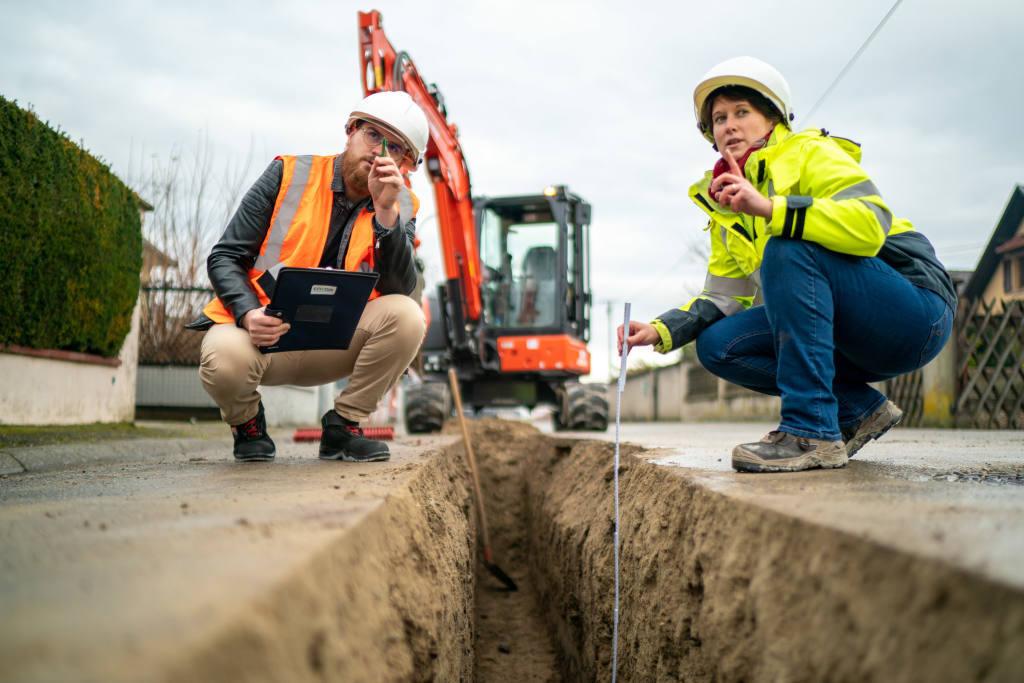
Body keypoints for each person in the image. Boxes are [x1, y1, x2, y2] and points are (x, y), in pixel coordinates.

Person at [618, 57, 956, 473]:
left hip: (913, 310)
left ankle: (810, 430)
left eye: (742, 112)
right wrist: (661, 330)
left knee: (787, 246)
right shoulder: (727, 204)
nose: (729, 125)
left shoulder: (809, 151)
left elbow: (871, 223)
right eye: (719, 118)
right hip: (846, 334)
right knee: (717, 345)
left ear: (773, 118)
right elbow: (723, 297)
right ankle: (859, 410)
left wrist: (771, 208)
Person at [187, 91, 429, 463]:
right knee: (223, 358)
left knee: (408, 315)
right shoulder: (288, 174)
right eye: (373, 135)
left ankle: (343, 427)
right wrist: (249, 315)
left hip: (336, 340)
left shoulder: (402, 204)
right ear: (350, 131)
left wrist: (385, 213)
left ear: (407, 165)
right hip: (265, 334)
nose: (381, 152)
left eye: (395, 148)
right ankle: (248, 424)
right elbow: (225, 256)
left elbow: (399, 288)